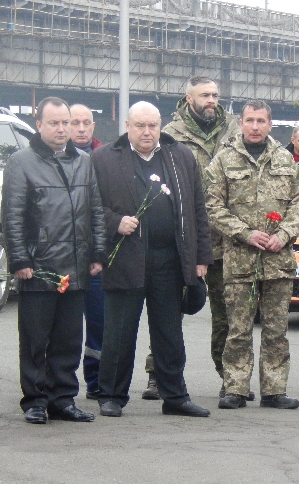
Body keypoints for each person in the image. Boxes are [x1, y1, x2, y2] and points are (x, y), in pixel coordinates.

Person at [92, 101, 213, 418]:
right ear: (127, 127)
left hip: (169, 259)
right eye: (140, 126)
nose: (147, 132)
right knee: (119, 332)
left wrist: (201, 257)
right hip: (124, 258)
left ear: (161, 126)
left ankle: (175, 396)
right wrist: (114, 222)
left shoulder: (180, 156)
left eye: (153, 126)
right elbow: (88, 206)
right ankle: (111, 395)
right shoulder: (104, 159)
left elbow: (198, 209)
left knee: (169, 332)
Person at [3, 96, 106, 424]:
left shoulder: (84, 162)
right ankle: (35, 400)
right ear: (39, 125)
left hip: (76, 266)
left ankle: (62, 399)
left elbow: (95, 210)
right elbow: (13, 216)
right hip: (39, 268)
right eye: (54, 123)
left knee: (68, 340)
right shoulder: (21, 162)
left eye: (66, 122)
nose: (62, 129)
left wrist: (98, 253)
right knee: (35, 340)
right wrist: (20, 259)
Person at [205, 100, 299, 410]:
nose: (254, 126)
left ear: (270, 125)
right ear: (240, 124)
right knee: (238, 329)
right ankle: (235, 388)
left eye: (261, 121)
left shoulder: (285, 159)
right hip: (239, 259)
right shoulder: (223, 160)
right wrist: (244, 233)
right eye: (249, 120)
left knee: (276, 330)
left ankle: (275, 390)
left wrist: (283, 234)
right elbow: (212, 206)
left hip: (278, 260)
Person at [159, 75, 244, 401]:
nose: (211, 100)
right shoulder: (170, 134)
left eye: (215, 95)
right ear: (188, 98)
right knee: (170, 310)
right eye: (205, 95)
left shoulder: (233, 130)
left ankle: (229, 378)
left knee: (226, 314)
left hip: (223, 238)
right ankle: (158, 375)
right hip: (184, 237)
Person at [68, 103, 105, 401]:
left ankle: (96, 381)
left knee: (99, 323)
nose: (81, 128)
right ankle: (59, 383)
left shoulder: (105, 159)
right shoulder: (54, 158)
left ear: (93, 126)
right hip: (62, 258)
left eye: (86, 122)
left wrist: (100, 254)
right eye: (74, 122)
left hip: (95, 261)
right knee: (64, 327)